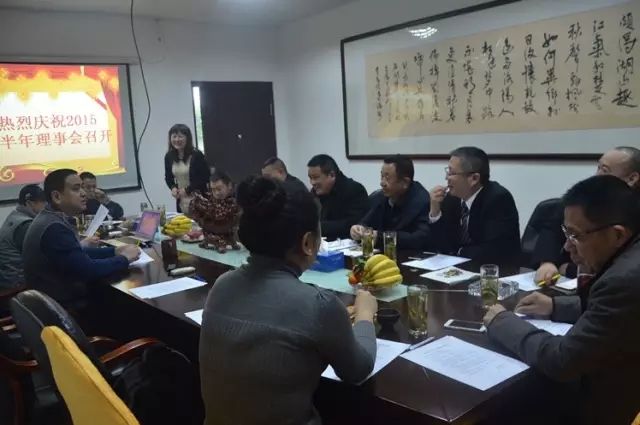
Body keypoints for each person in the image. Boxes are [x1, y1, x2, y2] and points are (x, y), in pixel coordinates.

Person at [199, 176, 377, 425]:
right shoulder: (319, 306)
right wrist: (365, 314)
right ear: (308, 243)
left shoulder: (222, 284)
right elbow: (358, 370)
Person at [483, 175, 640, 425]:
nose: (567, 246)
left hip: (608, 404)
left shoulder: (623, 279)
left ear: (618, 235)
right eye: (566, 233)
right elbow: (618, 312)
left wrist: (503, 321)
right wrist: (555, 305)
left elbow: (563, 361)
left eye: (575, 235)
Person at [22, 169, 141, 312]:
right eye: (76, 189)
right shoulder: (54, 228)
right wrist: (124, 259)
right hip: (66, 308)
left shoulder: (50, 218)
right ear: (57, 196)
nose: (84, 193)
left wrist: (114, 251)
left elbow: (76, 254)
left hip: (54, 301)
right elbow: (88, 269)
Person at [533, 146, 640, 282]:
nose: (596, 175)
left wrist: (571, 269)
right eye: (598, 168)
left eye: (604, 170)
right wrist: (547, 262)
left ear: (632, 178)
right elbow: (553, 228)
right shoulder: (588, 198)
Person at [428, 147, 520, 263]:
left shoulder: (498, 199)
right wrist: (435, 212)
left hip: (497, 269)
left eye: (452, 173)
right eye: (448, 172)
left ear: (474, 178)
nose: (447, 178)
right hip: (460, 266)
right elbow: (440, 243)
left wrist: (457, 251)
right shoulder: (453, 198)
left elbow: (493, 251)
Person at [350, 155, 430, 250]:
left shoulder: (422, 201)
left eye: (387, 178)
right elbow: (367, 222)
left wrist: (380, 237)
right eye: (382, 177)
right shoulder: (381, 196)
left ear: (405, 182)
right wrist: (358, 228)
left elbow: (419, 239)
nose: (382, 183)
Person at [307, 154, 369, 240]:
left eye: (316, 178)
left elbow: (355, 224)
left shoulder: (355, 190)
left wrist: (320, 226)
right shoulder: (315, 193)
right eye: (310, 178)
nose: (312, 183)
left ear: (332, 175)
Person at [0, 185, 47, 289]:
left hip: (7, 279)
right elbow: (41, 257)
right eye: (43, 202)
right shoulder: (25, 225)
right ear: (30, 203)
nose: (46, 206)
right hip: (17, 283)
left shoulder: (14, 217)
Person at [164, 124, 210, 212]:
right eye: (174, 136)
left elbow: (205, 177)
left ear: (187, 138)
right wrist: (173, 188)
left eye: (180, 136)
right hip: (181, 200)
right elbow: (168, 177)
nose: (177, 140)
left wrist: (187, 190)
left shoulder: (197, 155)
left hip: (199, 199)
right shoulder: (169, 156)